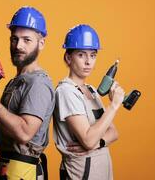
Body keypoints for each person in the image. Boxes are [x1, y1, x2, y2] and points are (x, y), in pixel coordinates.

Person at [0, 6, 55, 180]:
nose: (18, 46)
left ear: (41, 44)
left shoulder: (38, 83)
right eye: (14, 39)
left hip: (23, 172)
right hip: (7, 169)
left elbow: (25, 132)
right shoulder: (15, 81)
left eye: (27, 40)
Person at [53, 24, 125, 180]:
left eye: (93, 55)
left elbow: (113, 133)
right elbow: (88, 139)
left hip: (101, 172)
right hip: (79, 173)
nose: (88, 61)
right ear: (68, 58)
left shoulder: (92, 90)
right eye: (81, 55)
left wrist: (97, 144)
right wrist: (113, 106)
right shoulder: (66, 91)